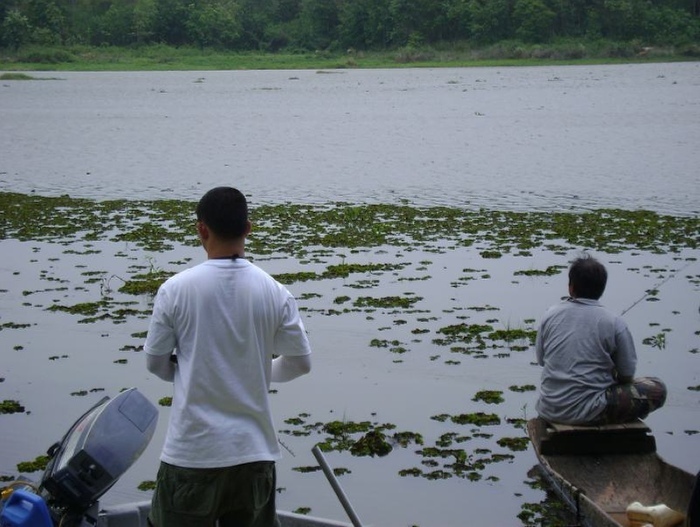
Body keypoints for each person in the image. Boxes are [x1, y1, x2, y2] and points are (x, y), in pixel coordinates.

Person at [144, 186, 312, 527]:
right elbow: (300, 363)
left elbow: (156, 363)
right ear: (247, 229)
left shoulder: (175, 289)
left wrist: (186, 371)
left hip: (193, 454)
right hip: (254, 457)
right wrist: (260, 371)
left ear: (201, 229)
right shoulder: (275, 292)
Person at [535, 253, 666, 426]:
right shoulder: (614, 322)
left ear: (571, 287)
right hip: (589, 412)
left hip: (549, 408)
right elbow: (627, 375)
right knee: (657, 388)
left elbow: (541, 360)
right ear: (602, 289)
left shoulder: (549, 315)